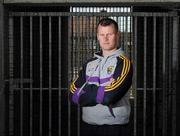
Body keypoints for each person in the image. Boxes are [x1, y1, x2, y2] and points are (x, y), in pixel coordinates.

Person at [69, 17, 133, 136]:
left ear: (117, 35)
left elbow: (110, 96)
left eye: (109, 34)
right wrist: (103, 89)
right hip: (88, 125)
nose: (105, 38)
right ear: (97, 36)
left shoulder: (124, 63)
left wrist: (87, 90)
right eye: (102, 34)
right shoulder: (89, 64)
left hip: (114, 127)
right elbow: (73, 95)